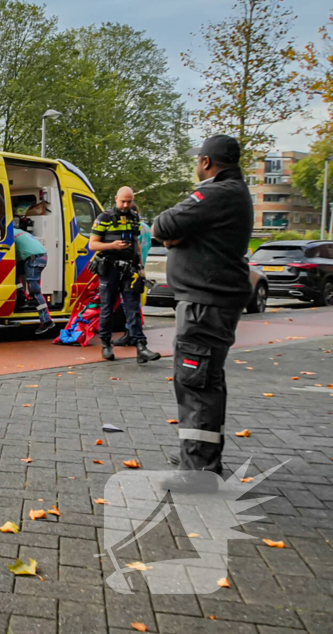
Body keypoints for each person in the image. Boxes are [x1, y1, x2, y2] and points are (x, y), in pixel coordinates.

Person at [152, 134, 253, 483]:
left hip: (205, 305)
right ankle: (198, 460)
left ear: (206, 163)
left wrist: (178, 234)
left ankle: (198, 473)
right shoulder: (233, 193)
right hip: (210, 302)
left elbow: (163, 225)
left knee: (196, 384)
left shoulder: (216, 193)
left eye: (198, 161)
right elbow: (172, 231)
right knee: (205, 383)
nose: (197, 166)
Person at [88, 187, 161, 364]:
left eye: (129, 201)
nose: (126, 205)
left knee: (133, 307)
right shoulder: (104, 217)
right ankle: (106, 344)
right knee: (107, 308)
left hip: (130, 269)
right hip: (110, 268)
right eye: (123, 201)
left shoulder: (134, 217)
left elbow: (135, 242)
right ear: (116, 199)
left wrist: (140, 267)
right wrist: (112, 245)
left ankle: (141, 346)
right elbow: (93, 245)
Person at [14, 217, 55, 335]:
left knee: (35, 291)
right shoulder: (21, 232)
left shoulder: (9, 235)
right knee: (14, 273)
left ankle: (46, 320)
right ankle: (22, 298)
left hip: (33, 260)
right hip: (40, 257)